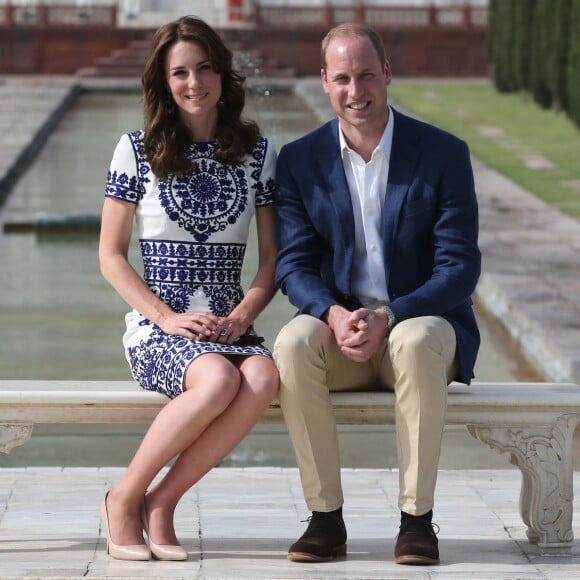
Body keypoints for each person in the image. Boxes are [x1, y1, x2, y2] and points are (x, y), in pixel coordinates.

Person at [273, 22, 481, 566]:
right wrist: (334, 314)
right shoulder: (299, 161)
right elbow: (292, 267)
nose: (355, 90)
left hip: (421, 329)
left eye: (366, 74)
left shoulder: (443, 153)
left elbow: (459, 268)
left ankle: (416, 522)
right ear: (323, 81)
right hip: (342, 335)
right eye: (341, 77)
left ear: (387, 73)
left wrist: (391, 315)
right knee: (293, 341)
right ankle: (325, 519)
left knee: (414, 340)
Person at [98, 15, 279, 561]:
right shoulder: (135, 149)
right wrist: (166, 318)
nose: (194, 82)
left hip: (230, 323)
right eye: (180, 72)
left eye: (204, 68)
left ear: (223, 75)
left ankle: (162, 503)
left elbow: (273, 259)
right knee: (219, 376)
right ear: (164, 81)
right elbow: (110, 256)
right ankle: (123, 499)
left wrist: (245, 314)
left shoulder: (258, 155)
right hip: (160, 328)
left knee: (265, 374)